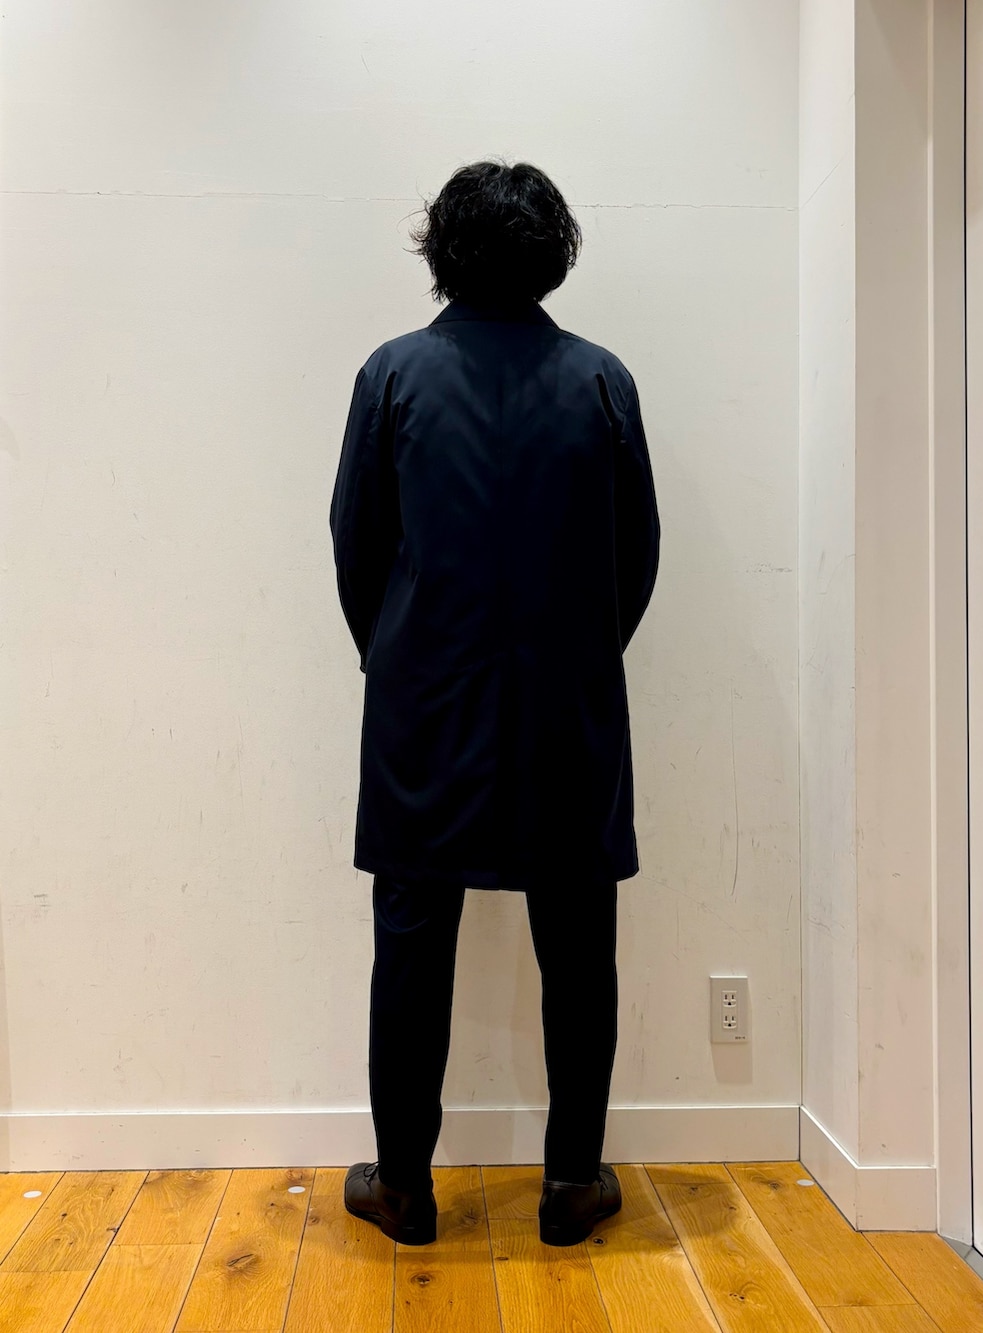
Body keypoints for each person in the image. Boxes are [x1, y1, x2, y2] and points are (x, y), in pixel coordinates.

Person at [330, 159, 659, 1247]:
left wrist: (400, 651)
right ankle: (570, 1184)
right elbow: (636, 553)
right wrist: (576, 652)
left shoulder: (392, 374)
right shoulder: (602, 379)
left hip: (425, 704)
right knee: (579, 940)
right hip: (569, 705)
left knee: (411, 939)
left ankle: (404, 1188)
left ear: (443, 251)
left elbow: (356, 543)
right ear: (554, 252)